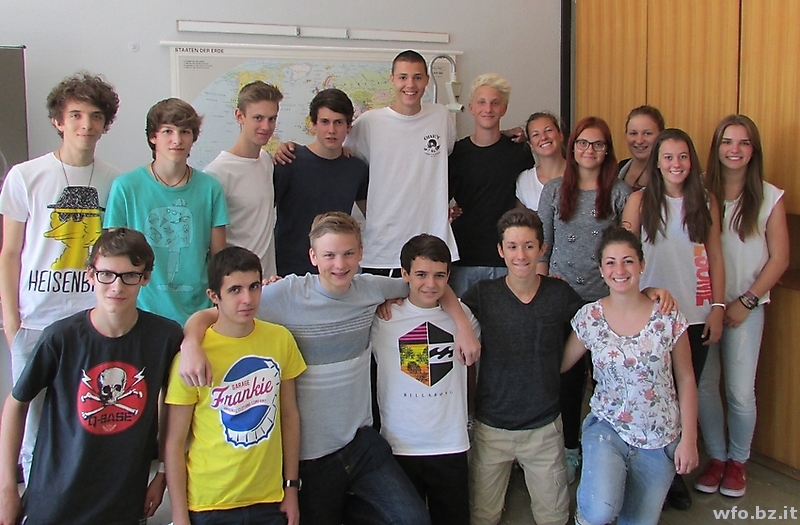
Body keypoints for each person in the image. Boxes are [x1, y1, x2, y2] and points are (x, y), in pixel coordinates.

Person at [178, 212, 480, 525]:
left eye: (348, 253)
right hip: (311, 455)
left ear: (361, 253)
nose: (340, 264)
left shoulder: (371, 289)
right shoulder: (286, 295)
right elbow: (216, 313)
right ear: (313, 257)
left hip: (361, 444)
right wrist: (191, 343)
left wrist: (463, 325)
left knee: (413, 519)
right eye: (329, 255)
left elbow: (427, 283)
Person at [0, 228, 183, 524]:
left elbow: (174, 407)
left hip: (124, 502)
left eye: (129, 275)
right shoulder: (60, 337)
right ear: (90, 275)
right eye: (106, 274)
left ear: (146, 277)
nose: (117, 287)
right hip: (56, 502)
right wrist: (7, 487)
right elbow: (16, 403)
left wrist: (162, 474)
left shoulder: (165, 337)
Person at [0, 72, 120, 482]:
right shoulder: (25, 175)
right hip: (35, 319)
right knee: (32, 423)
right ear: (58, 120)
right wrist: (12, 321)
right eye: (76, 115)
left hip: (91, 319)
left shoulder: (114, 181)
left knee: (90, 415)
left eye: (96, 116)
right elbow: (10, 252)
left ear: (105, 124)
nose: (86, 125)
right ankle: (36, 499)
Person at [275, 50, 458, 276]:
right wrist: (290, 147)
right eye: (403, 77)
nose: (410, 84)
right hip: (381, 251)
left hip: (434, 244)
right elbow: (331, 149)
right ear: (392, 79)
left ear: (427, 80)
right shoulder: (369, 123)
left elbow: (448, 160)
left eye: (417, 77)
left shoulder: (441, 117)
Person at [563, 226, 698, 525]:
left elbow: (686, 379)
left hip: (659, 436)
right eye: (611, 262)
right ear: (601, 269)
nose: (620, 270)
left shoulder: (667, 316)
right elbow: (561, 364)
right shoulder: (590, 318)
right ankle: (587, 514)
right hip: (608, 427)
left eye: (628, 261)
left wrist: (689, 439)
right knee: (600, 512)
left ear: (641, 265)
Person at [621, 127, 725, 509]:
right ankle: (642, 469)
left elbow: (715, 256)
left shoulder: (705, 201)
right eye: (668, 157)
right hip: (649, 315)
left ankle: (673, 473)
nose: (676, 164)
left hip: (695, 314)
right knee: (650, 393)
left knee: (683, 396)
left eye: (683, 156)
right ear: (657, 162)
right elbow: (624, 255)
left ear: (691, 161)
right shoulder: (639, 201)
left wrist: (718, 307)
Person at [164, 246, 306, 525]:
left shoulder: (280, 340)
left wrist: (291, 488)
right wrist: (179, 515)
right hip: (209, 503)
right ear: (213, 296)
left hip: (268, 499)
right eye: (234, 290)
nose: (247, 299)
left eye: (254, 287)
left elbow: (289, 416)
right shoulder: (192, 357)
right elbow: (174, 443)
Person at [463, 208, 584, 525]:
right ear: (501, 250)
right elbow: (443, 307)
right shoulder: (483, 294)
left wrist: (649, 292)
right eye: (513, 247)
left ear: (542, 248)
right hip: (492, 427)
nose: (521, 255)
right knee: (483, 515)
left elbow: (596, 320)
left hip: (544, 428)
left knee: (554, 517)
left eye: (529, 246)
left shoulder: (559, 293)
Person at [695, 115, 789, 498]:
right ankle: (716, 457)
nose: (735, 149)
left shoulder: (769, 197)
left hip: (745, 308)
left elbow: (780, 258)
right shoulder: (699, 189)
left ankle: (737, 461)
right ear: (716, 147)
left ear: (754, 150)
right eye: (727, 141)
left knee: (739, 392)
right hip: (701, 307)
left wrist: (747, 301)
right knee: (703, 387)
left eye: (744, 142)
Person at [536, 116, 632, 484]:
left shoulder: (621, 193)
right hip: (563, 302)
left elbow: (630, 249)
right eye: (583, 143)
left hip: (608, 304)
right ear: (572, 148)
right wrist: (542, 290)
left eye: (598, 144)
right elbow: (543, 245)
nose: (589, 150)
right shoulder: (554, 190)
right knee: (568, 381)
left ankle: (611, 451)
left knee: (609, 380)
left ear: (607, 151)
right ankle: (570, 448)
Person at [370, 234, 479, 525]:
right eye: (421, 274)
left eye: (439, 275)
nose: (430, 284)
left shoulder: (464, 318)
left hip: (450, 443)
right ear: (404, 274)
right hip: (400, 445)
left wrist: (462, 323)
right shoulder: (383, 318)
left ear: (449, 276)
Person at [104, 98, 229, 326]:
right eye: (168, 131)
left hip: (198, 313)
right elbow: (114, 258)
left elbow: (218, 259)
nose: (177, 140)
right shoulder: (126, 187)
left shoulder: (210, 188)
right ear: (153, 137)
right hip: (141, 314)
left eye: (185, 132)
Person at [447, 73, 533, 296]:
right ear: (471, 107)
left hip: (507, 259)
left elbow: (532, 196)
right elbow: (437, 199)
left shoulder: (519, 152)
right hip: (464, 258)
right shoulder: (457, 153)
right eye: (482, 102)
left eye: (495, 103)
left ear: (504, 109)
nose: (488, 109)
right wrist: (445, 212)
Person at [273, 88, 368, 276]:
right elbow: (263, 213)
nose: (331, 130)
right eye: (325, 122)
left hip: (336, 272)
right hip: (288, 272)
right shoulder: (289, 162)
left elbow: (372, 215)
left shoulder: (357, 169)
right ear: (314, 124)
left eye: (338, 122)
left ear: (349, 126)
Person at [204, 81, 282, 276]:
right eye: (258, 118)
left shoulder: (266, 160)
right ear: (239, 116)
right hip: (238, 282)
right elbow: (211, 244)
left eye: (272, 119)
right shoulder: (217, 173)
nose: (266, 126)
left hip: (269, 280)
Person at [515, 111, 567, 211]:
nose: (543, 137)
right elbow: (521, 219)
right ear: (530, 145)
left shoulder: (580, 173)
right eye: (535, 134)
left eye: (548, 130)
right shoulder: (525, 180)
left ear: (560, 135)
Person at [617, 105, 665, 190]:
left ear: (661, 136)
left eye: (647, 133)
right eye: (633, 133)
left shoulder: (668, 174)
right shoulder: (617, 169)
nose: (639, 141)